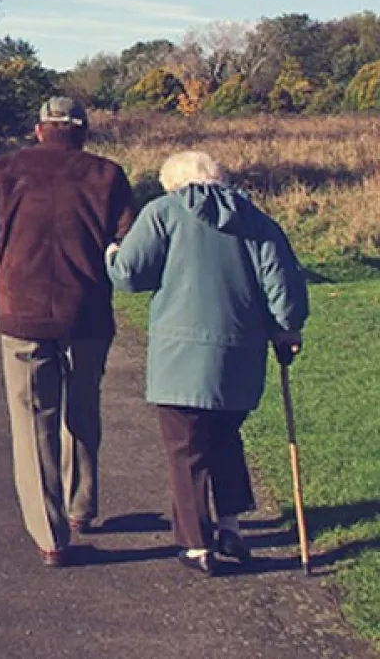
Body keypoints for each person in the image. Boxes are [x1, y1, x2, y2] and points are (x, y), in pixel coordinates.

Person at [105, 150, 309, 576]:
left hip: (180, 357)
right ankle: (231, 526)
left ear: (174, 183)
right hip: (240, 356)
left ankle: (197, 544)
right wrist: (287, 329)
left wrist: (111, 254)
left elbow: (129, 275)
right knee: (225, 438)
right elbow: (284, 289)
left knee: (186, 449)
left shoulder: (163, 213)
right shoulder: (256, 219)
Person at [0, 97, 137, 567]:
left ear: (40, 129)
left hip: (22, 314)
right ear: (82, 131)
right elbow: (129, 243)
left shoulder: (8, 170)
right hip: (87, 315)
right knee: (82, 410)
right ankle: (81, 506)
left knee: (33, 423)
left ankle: (51, 536)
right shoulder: (108, 175)